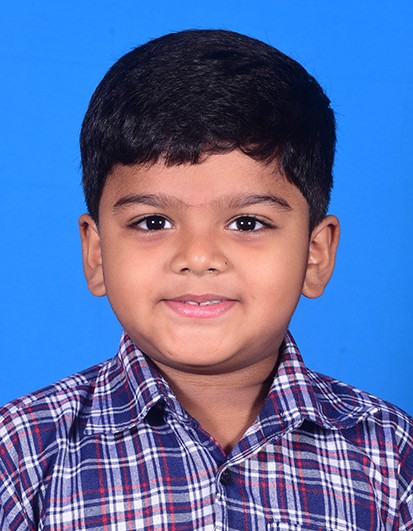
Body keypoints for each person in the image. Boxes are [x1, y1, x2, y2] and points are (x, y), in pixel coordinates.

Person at [0, 29, 412, 530]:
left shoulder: (391, 457)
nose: (198, 258)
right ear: (96, 253)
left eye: (247, 223)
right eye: (153, 222)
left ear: (315, 254)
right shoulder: (21, 456)